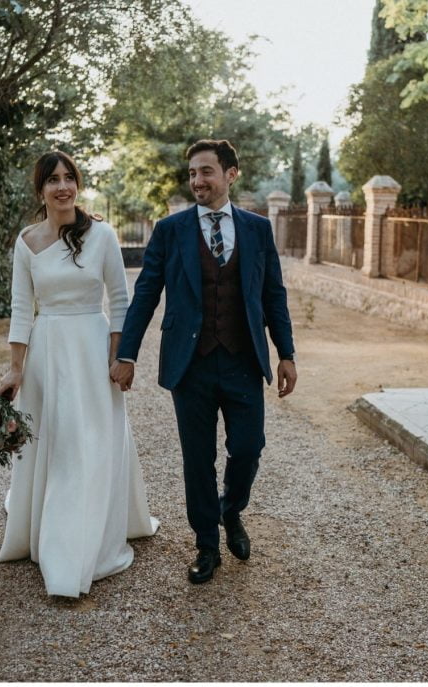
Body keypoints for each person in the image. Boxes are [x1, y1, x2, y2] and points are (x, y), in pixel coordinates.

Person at [111, 139, 296, 584]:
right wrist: (127, 353)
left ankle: (232, 512)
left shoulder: (257, 229)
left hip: (242, 360)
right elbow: (146, 296)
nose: (198, 180)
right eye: (193, 173)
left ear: (231, 174)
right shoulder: (170, 230)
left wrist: (286, 353)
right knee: (197, 457)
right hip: (189, 364)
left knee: (249, 447)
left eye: (206, 171)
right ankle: (206, 545)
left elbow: (273, 294)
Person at [0, 150, 159, 598]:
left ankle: (82, 542)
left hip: (90, 347)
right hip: (48, 352)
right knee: (60, 444)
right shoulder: (26, 242)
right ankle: (54, 534)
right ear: (41, 189)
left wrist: (118, 357)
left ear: (78, 184)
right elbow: (20, 309)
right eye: (53, 180)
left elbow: (120, 300)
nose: (63, 186)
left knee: (90, 442)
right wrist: (15, 369)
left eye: (70, 178)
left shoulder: (102, 235)